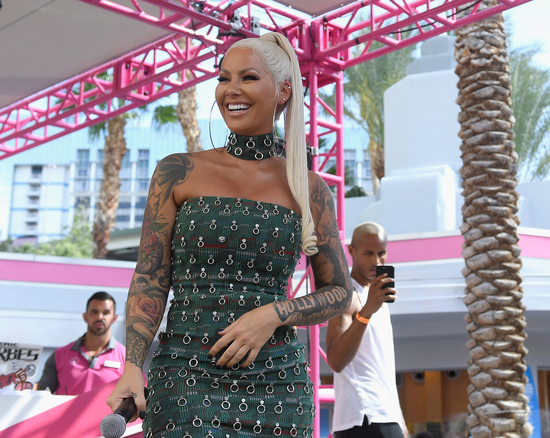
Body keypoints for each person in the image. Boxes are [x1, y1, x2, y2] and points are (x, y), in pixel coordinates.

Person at [106, 32, 352, 437]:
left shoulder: (308, 188)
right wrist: (132, 366)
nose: (230, 90)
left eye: (248, 77)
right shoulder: (176, 172)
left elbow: (340, 291)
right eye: (224, 78)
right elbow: (151, 276)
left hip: (280, 384)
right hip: (185, 376)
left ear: (283, 91)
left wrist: (273, 314)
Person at [326, 222, 407, 437]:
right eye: (368, 253)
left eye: (381, 253)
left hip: (385, 415)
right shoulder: (346, 295)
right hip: (362, 416)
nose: (376, 261)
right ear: (352, 251)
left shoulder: (377, 298)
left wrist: (399, 416)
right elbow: (335, 361)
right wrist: (367, 311)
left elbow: (382, 367)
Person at [37, 291, 126, 395]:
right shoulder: (59, 355)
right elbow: (41, 395)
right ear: (85, 316)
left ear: (114, 318)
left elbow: (136, 397)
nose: (100, 317)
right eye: (94, 312)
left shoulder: (128, 358)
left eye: (106, 313)